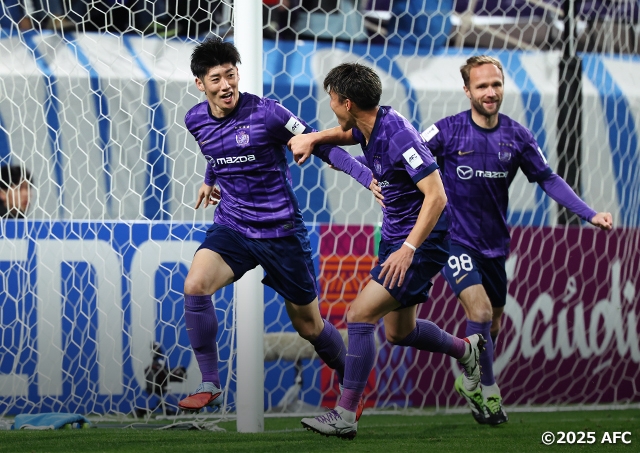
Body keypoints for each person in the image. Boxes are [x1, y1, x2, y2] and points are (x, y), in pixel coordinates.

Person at [177, 37, 380, 414]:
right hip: (234, 226)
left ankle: (349, 380)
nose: (226, 85)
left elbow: (320, 145)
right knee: (195, 285)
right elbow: (216, 150)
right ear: (200, 84)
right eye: (216, 79)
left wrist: (365, 176)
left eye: (231, 75)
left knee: (309, 327)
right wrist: (209, 179)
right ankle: (209, 382)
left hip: (280, 232)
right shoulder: (195, 119)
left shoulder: (268, 113)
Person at [288, 63, 485, 440]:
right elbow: (345, 135)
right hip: (396, 238)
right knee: (399, 332)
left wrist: (409, 249)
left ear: (347, 102)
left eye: (332, 99)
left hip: (420, 243)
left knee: (359, 315)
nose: (329, 104)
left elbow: (437, 196)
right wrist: (313, 138)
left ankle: (346, 413)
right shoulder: (370, 124)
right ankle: (466, 350)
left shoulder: (398, 135)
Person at [420, 55, 613, 425]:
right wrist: (377, 182)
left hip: (495, 245)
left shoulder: (518, 136)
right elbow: (409, 157)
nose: (490, 92)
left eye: (496, 84)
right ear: (467, 91)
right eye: (482, 86)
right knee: (479, 313)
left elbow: (548, 178)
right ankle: (487, 391)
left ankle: (472, 382)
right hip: (454, 240)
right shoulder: (445, 131)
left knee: (492, 326)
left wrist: (589, 214)